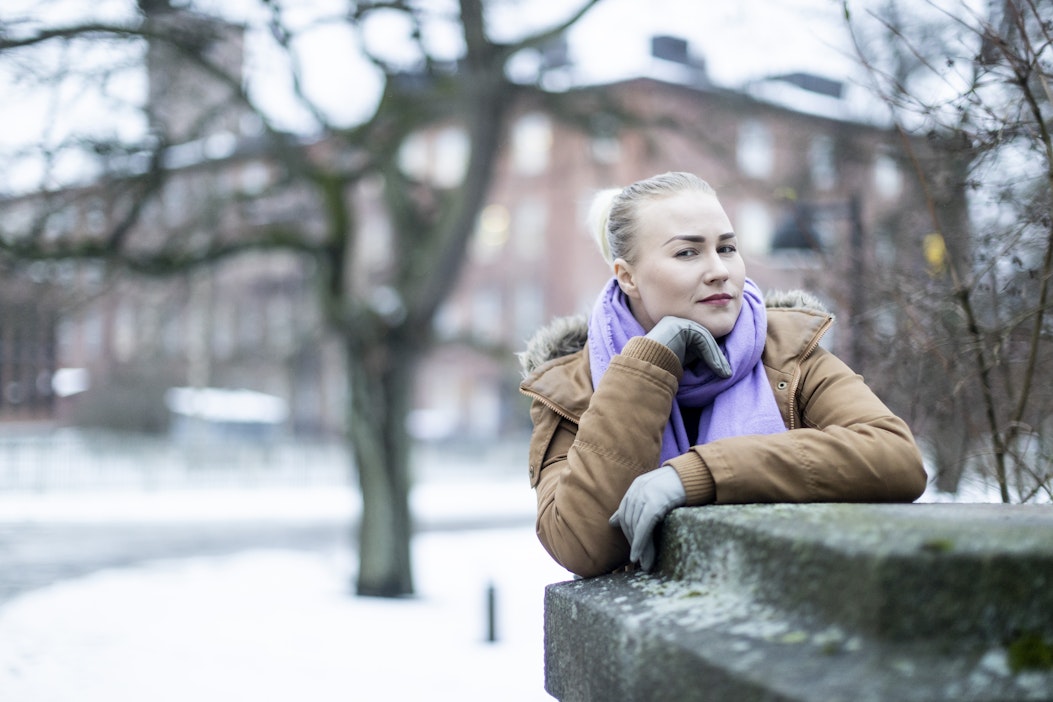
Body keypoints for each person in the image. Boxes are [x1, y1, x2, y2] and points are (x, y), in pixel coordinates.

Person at [518, 171, 927, 579]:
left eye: (727, 248)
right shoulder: (571, 385)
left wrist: (696, 475)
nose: (720, 271)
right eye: (687, 253)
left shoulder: (787, 350)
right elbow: (580, 544)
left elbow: (896, 457)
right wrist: (649, 361)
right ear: (627, 277)